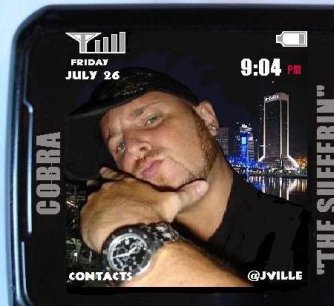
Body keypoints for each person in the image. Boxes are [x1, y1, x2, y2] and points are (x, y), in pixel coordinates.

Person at [64, 67, 307, 287]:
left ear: (207, 119)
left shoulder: (304, 238)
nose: (133, 147)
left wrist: (131, 235)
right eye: (119, 146)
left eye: (151, 119)